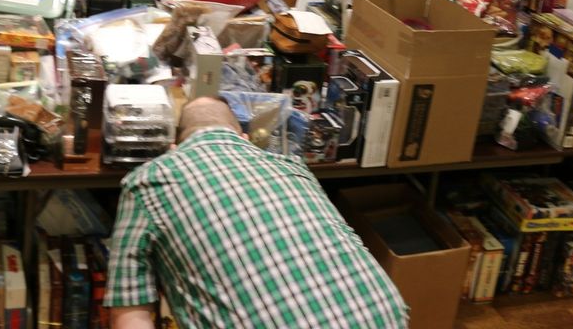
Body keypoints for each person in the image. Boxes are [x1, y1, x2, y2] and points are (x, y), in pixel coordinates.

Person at [104, 96, 409, 329]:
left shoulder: (148, 180)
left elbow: (130, 311)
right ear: (244, 138)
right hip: (383, 315)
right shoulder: (292, 167)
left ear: (174, 147)